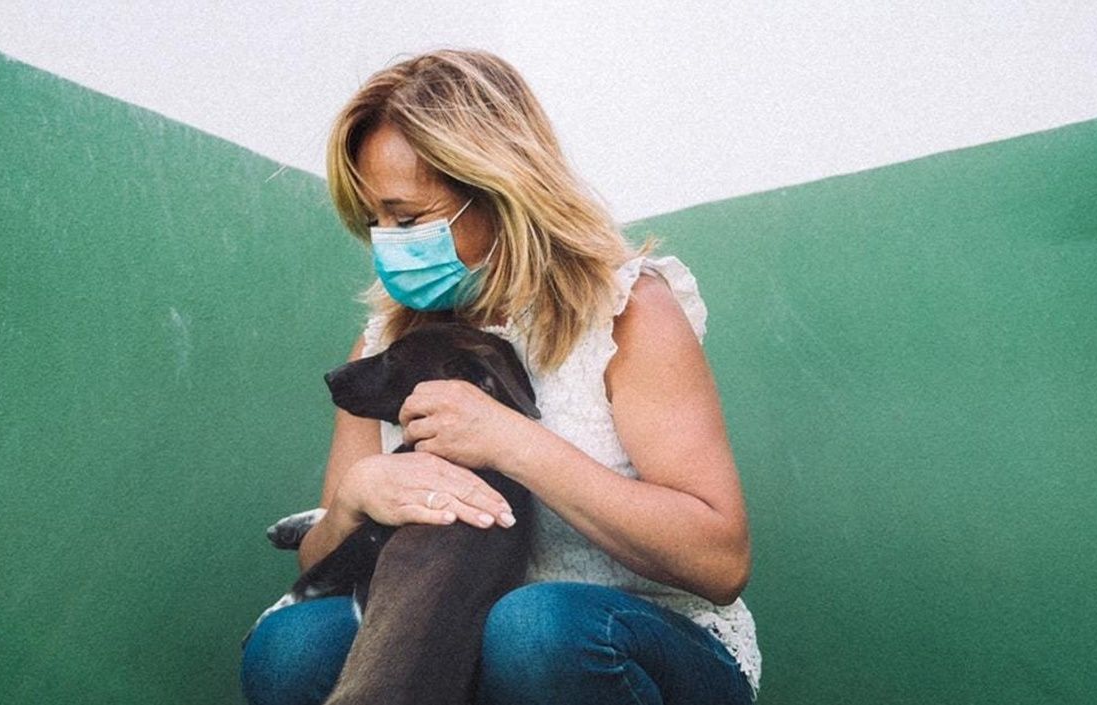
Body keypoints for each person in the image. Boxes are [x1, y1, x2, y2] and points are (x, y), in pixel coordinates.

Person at [240, 49, 760, 705]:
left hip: (637, 651)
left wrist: (510, 440)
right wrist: (356, 495)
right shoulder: (388, 339)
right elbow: (319, 568)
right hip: (458, 650)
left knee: (533, 630)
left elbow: (719, 562)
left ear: (498, 192)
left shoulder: (628, 313)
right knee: (290, 646)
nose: (386, 243)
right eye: (374, 221)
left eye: (407, 219)